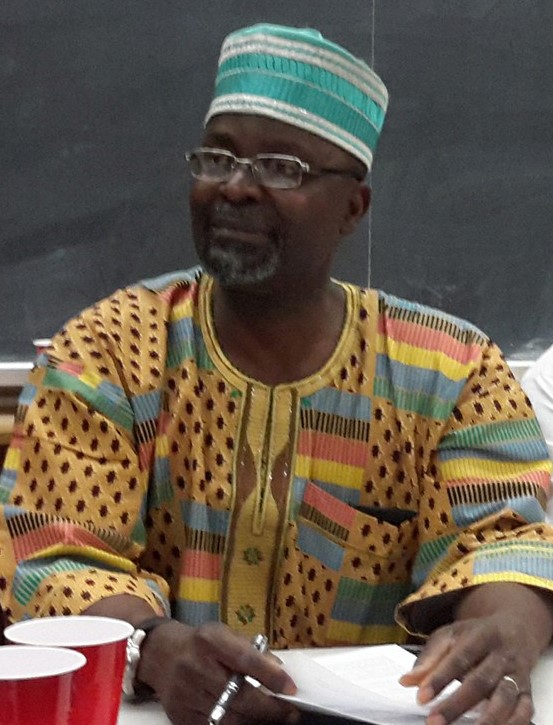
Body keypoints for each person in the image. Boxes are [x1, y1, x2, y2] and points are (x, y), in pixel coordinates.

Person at [1, 22, 552, 725]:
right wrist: (159, 650)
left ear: (353, 206)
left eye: (282, 167)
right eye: (217, 158)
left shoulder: (454, 371)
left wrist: (503, 631)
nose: (235, 187)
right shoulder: (105, 352)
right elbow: (52, 553)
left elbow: (503, 544)